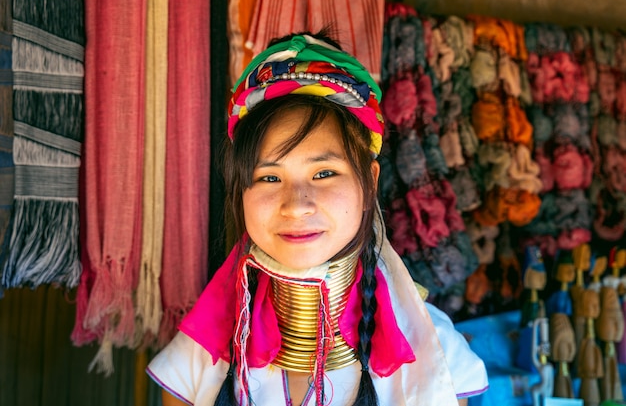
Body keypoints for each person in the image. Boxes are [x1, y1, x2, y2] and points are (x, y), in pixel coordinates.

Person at [147, 31, 489, 406]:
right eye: (269, 177)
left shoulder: (435, 353)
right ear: (240, 191)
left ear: (369, 184)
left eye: (324, 173)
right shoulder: (199, 356)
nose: (296, 205)